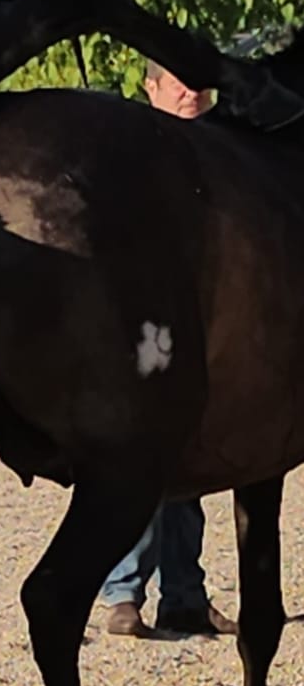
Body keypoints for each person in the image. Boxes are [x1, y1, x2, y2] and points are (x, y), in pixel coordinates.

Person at [99, 59, 237, 639]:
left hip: (209, 324)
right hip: (146, 324)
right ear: (150, 88)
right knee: (140, 452)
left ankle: (184, 596)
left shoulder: (227, 157)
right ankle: (123, 592)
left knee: (193, 456)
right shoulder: (130, 150)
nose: (189, 90)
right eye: (176, 80)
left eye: (196, 80)